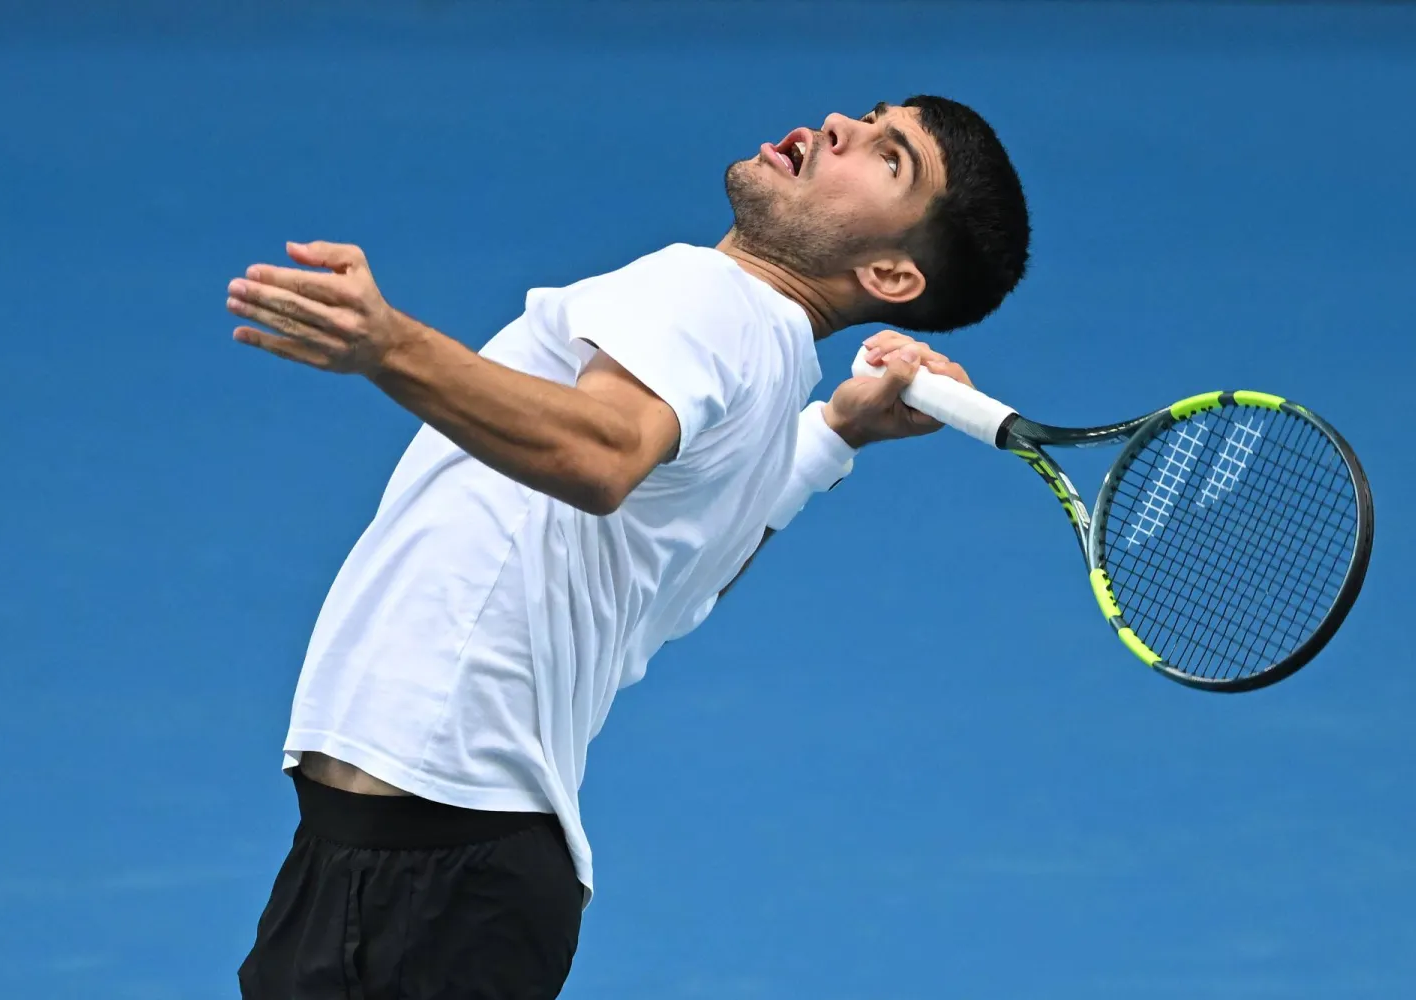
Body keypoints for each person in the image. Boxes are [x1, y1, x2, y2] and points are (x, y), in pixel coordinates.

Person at [226, 94, 1030, 1000]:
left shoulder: (711, 295)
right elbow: (677, 582)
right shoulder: (769, 378)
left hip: (429, 873)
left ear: (889, 274)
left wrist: (388, 345)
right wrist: (835, 437)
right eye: (872, 115)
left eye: (889, 157)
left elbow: (601, 455)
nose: (842, 124)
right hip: (429, 865)